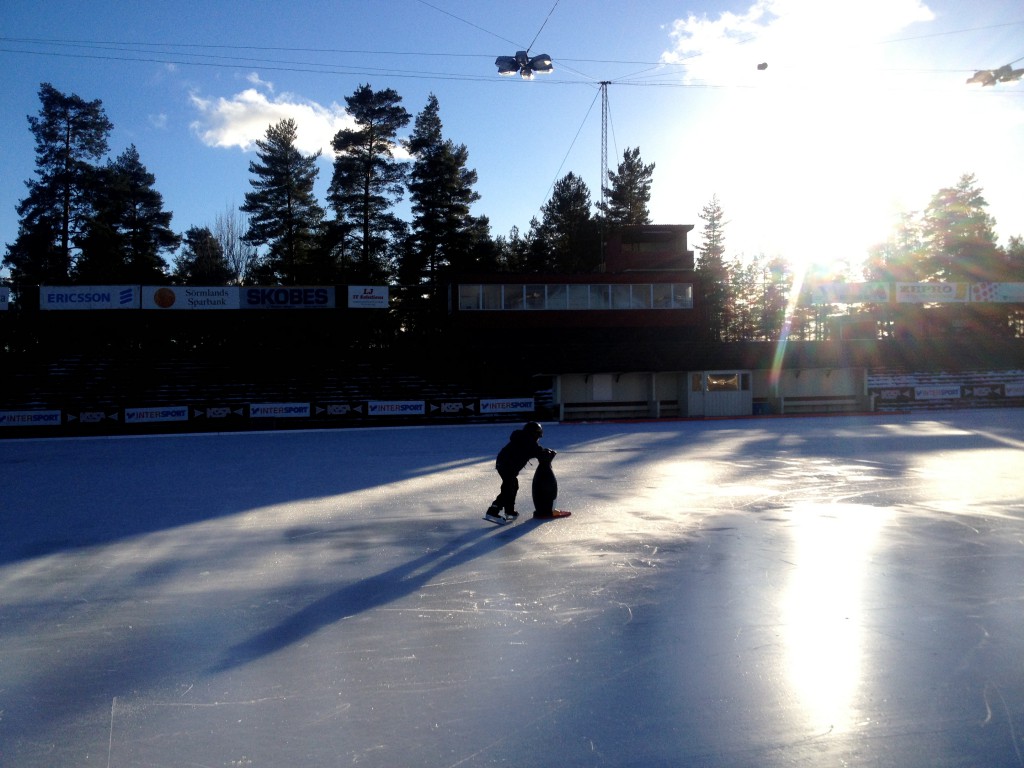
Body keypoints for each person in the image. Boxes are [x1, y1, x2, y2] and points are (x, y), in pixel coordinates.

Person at [486, 421, 555, 523]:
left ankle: (509, 511)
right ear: (534, 433)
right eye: (538, 435)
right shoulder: (528, 441)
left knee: (513, 485)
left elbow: (534, 451)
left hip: (503, 464)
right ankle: (493, 511)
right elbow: (538, 452)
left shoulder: (523, 438)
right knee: (509, 488)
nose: (538, 438)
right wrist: (549, 453)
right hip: (507, 466)